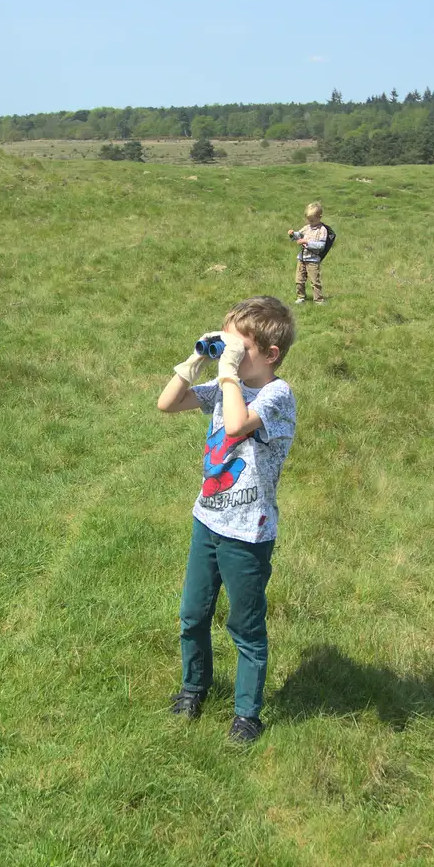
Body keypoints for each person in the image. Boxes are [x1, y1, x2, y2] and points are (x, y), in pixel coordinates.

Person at [157, 296, 298, 743]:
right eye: (229, 347)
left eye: (242, 349)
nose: (231, 356)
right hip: (208, 520)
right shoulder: (225, 385)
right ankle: (193, 687)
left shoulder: (278, 394)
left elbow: (237, 426)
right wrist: (200, 357)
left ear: (270, 355)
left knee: (245, 624)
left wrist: (229, 372)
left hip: (248, 533)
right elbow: (167, 403)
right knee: (192, 614)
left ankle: (246, 713)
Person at [287, 200, 331, 304]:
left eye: (312, 220)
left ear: (319, 217)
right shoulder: (307, 228)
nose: (310, 222)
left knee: (315, 281)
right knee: (299, 279)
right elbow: (299, 235)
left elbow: (321, 245)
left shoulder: (322, 230)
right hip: (302, 258)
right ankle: (301, 297)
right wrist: (292, 234)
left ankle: (319, 299)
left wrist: (307, 242)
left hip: (313, 260)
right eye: (308, 220)